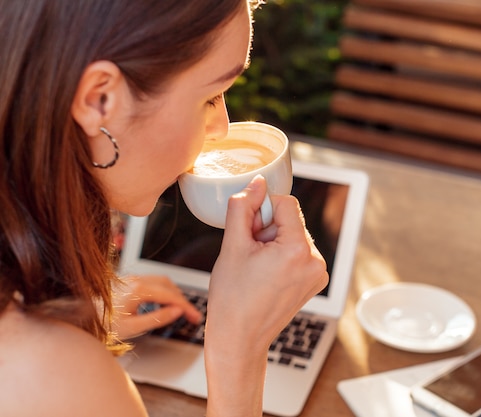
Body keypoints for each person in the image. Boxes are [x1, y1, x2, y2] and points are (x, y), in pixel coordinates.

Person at [0, 1, 329, 416]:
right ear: (100, 99)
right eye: (211, 97)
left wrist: (87, 316)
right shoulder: (52, 376)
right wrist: (238, 354)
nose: (222, 127)